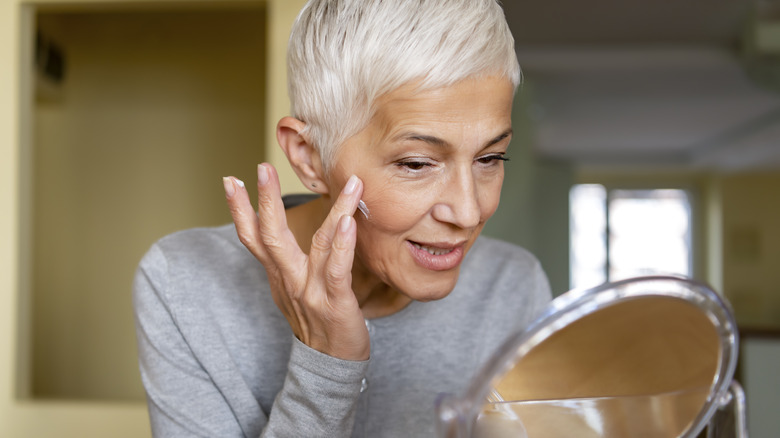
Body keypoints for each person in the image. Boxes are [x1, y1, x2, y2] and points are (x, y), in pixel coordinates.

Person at [132, 0, 552, 436]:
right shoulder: (187, 283)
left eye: (490, 157)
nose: (468, 212)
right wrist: (326, 366)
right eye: (415, 164)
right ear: (310, 158)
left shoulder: (513, 287)